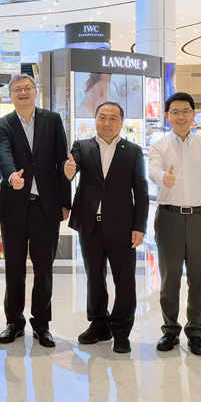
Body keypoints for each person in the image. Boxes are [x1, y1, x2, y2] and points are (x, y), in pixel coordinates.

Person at [0, 73, 71, 348]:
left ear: (35, 92)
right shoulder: (2, 124)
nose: (23, 92)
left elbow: (63, 161)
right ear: (11, 95)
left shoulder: (52, 120)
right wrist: (11, 175)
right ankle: (13, 322)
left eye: (27, 88)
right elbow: (3, 153)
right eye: (17, 89)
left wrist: (65, 201)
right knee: (13, 266)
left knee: (44, 268)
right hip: (14, 206)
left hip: (45, 206)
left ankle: (42, 324)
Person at [65, 101, 149, 354]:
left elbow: (141, 191)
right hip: (90, 224)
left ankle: (121, 331)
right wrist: (68, 172)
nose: (107, 122)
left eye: (113, 118)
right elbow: (71, 171)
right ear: (95, 120)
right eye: (102, 117)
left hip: (122, 226)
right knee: (94, 277)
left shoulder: (133, 151)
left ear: (121, 122)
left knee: (125, 280)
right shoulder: (82, 147)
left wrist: (139, 226)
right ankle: (99, 324)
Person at [148, 91, 201, 356]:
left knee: (200, 278)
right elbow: (152, 169)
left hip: (200, 218)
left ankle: (195, 331)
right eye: (175, 112)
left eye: (185, 111)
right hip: (168, 217)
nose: (180, 116)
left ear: (194, 115)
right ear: (167, 116)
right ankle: (170, 330)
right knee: (169, 278)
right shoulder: (159, 145)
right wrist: (164, 178)